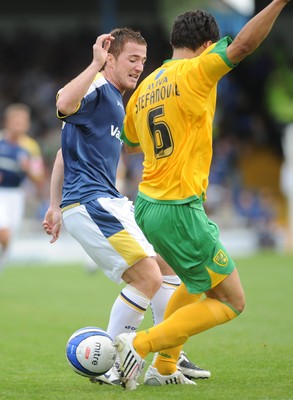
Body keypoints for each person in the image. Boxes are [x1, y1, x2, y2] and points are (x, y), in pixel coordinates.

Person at [113, 0, 291, 390]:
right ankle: (140, 344)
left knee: (196, 284)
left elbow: (128, 144)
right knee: (230, 301)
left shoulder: (146, 86)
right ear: (208, 44)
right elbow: (242, 46)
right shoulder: (197, 71)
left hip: (148, 204)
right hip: (178, 207)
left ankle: (166, 367)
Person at [42, 28, 209, 386]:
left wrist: (53, 205)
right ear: (111, 59)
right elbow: (62, 104)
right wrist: (94, 64)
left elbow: (62, 153)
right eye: (132, 59)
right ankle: (117, 365)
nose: (139, 66)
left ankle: (169, 357)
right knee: (147, 276)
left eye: (143, 60)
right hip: (91, 201)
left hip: (105, 199)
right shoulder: (98, 86)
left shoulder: (117, 99)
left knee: (168, 266)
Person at [0, 103, 45, 269]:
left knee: (8, 238)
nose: (19, 125)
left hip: (16, 195)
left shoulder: (30, 147)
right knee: (3, 232)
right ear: (7, 122)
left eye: (22, 122)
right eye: (15, 121)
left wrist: (28, 169)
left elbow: (39, 177)